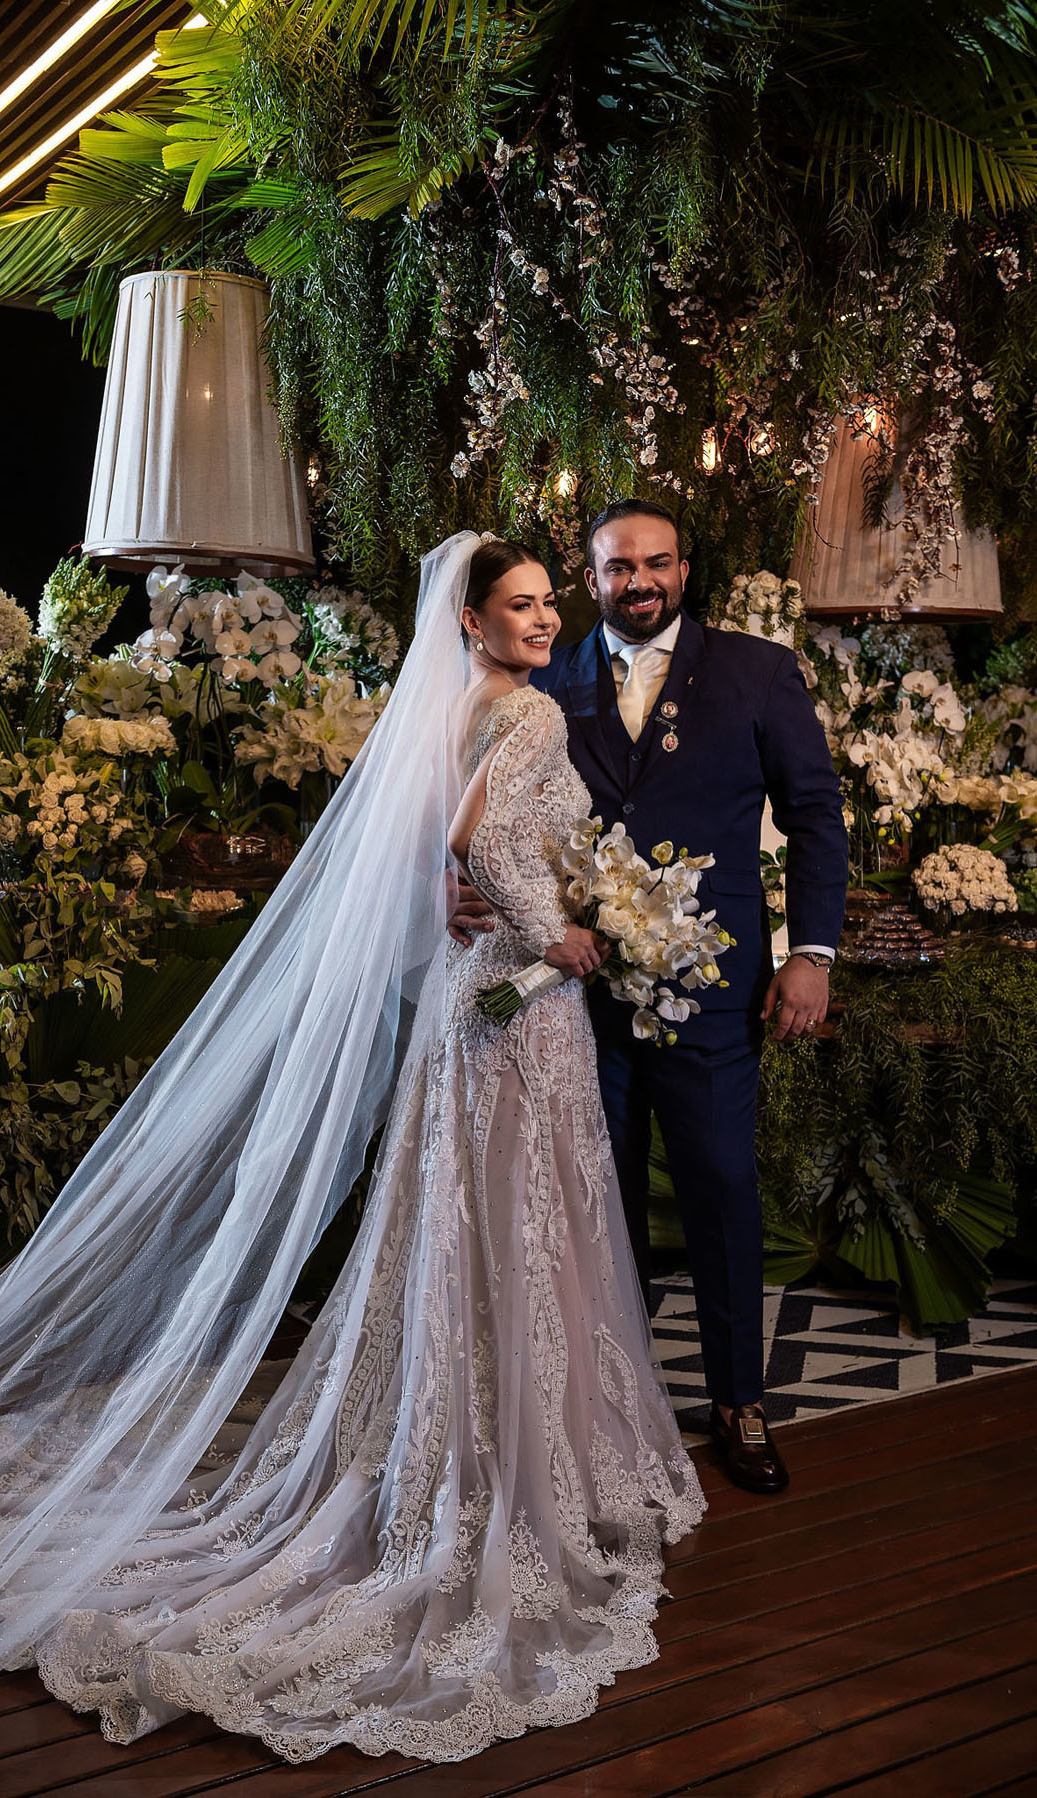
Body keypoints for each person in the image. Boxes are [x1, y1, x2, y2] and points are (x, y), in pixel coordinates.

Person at [0, 532, 703, 1767]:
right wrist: (561, 934)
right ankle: (506, 1460)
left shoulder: (454, 709)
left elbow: (423, 853)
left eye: (546, 603)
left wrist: (515, 910)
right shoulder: (528, 721)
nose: (543, 620)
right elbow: (469, 843)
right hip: (516, 1007)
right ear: (466, 621)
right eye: (518, 606)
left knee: (479, 1220)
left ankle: (465, 1432)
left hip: (466, 1005)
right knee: (521, 1218)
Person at [451, 501, 849, 1495]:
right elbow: (473, 803)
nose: (638, 580)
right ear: (591, 578)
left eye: (656, 562)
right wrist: (447, 882)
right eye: (616, 566)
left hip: (711, 986)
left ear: (684, 567)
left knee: (719, 1189)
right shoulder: (545, 675)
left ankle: (738, 1402)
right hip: (571, 996)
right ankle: (603, 1412)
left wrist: (810, 952)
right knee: (595, 1202)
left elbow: (812, 814)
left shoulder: (755, 671)